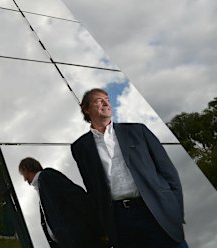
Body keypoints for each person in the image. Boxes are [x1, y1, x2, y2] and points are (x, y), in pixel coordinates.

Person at [71, 88, 188, 248]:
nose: (106, 103)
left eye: (108, 99)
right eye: (99, 100)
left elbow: (168, 173)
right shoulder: (80, 147)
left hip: (155, 211)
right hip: (120, 221)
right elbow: (93, 189)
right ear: (86, 108)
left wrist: (176, 212)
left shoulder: (138, 131)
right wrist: (103, 228)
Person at [19, 157, 105, 248]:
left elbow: (78, 198)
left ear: (26, 168)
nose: (24, 179)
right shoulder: (41, 192)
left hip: (81, 240)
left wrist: (99, 229)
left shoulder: (48, 177)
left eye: (23, 174)